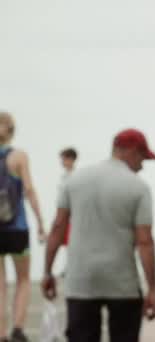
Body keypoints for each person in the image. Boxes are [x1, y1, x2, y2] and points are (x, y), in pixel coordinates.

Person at [42, 129, 155, 342]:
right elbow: (145, 241)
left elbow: (58, 228)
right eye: (142, 158)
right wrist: (152, 289)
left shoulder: (74, 181)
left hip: (80, 282)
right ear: (132, 151)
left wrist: (47, 272)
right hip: (123, 284)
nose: (142, 166)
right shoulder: (139, 188)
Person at [0, 112, 46, 342]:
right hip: (17, 228)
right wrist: (40, 222)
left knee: (0, 284)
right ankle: (18, 329)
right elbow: (29, 190)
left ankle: (1, 333)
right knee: (23, 279)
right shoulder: (19, 157)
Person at [59, 148, 77, 247]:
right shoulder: (64, 177)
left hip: (72, 217)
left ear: (71, 159)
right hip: (64, 217)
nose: (62, 162)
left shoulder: (76, 176)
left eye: (64, 159)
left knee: (72, 245)